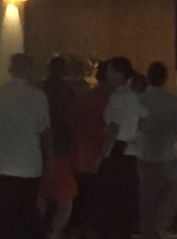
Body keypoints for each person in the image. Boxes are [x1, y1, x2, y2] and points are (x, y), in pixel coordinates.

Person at [0, 52, 51, 239]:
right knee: (27, 211)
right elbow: (44, 130)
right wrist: (49, 159)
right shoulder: (37, 96)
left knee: (6, 213)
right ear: (30, 70)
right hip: (29, 163)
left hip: (2, 162)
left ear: (10, 69)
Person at [136, 61, 177, 239]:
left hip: (145, 154)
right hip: (167, 155)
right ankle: (160, 227)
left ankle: (147, 232)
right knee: (170, 196)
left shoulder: (140, 100)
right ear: (165, 78)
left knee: (147, 199)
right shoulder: (172, 101)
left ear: (148, 77)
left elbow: (133, 128)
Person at [99, 56, 141, 239]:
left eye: (110, 71)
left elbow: (114, 127)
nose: (107, 75)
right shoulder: (134, 96)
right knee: (125, 203)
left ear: (120, 73)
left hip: (117, 151)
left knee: (112, 202)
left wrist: (102, 154)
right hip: (131, 153)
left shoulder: (118, 97)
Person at [70, 61, 110, 239]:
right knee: (100, 201)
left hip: (83, 156)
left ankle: (81, 230)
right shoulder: (111, 99)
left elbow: (74, 121)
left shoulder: (85, 97)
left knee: (84, 198)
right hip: (103, 156)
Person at [40, 55, 77, 239]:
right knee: (65, 200)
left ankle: (40, 230)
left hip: (39, 149)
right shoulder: (66, 91)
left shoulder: (40, 89)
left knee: (43, 195)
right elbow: (71, 119)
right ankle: (53, 233)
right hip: (60, 149)